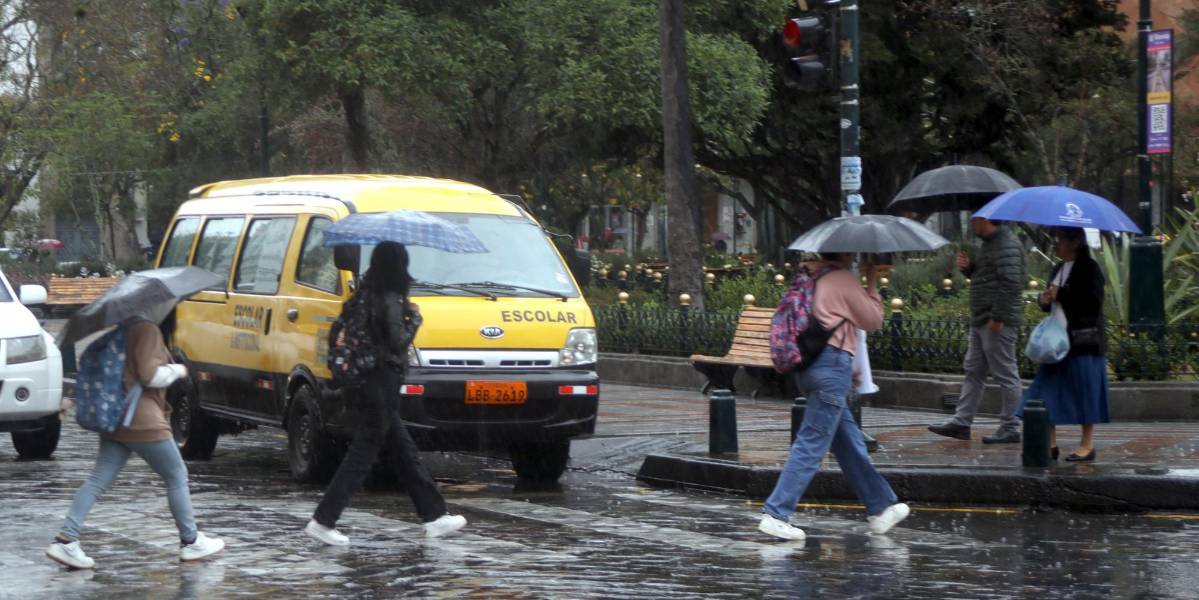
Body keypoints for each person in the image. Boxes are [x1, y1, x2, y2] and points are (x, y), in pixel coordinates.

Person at [305, 241, 467, 546]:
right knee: (363, 453)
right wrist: (414, 319)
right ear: (399, 266)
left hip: (363, 382)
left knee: (405, 451)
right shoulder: (390, 298)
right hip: (382, 382)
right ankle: (323, 520)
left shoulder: (363, 295)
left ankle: (434, 515)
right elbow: (397, 342)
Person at [46, 305, 225, 569]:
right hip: (142, 420)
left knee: (97, 481)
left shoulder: (125, 328)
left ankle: (66, 540)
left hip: (116, 421)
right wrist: (178, 371)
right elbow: (150, 375)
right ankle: (191, 541)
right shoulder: (148, 329)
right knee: (176, 476)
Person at [758, 253, 910, 541]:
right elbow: (874, 319)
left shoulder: (807, 277)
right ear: (844, 253)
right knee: (812, 442)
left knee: (848, 441)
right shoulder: (841, 279)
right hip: (830, 368)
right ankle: (776, 512)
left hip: (809, 368)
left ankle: (880, 508)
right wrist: (873, 282)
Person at [929, 217, 1026, 444]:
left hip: (995, 321)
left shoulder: (1007, 245)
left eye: (975, 221)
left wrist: (998, 317)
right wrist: (970, 269)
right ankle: (962, 422)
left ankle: (1011, 426)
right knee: (974, 370)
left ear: (986, 220)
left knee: (1005, 373)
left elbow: (1011, 282)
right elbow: (989, 278)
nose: (973, 225)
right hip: (982, 318)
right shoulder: (990, 244)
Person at [1018, 227, 1109, 461]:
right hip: (1056, 342)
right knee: (1044, 392)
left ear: (1075, 242)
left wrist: (1062, 295)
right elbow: (1051, 301)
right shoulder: (1058, 268)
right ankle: (1050, 443)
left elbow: (1092, 302)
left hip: (1082, 342)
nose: (1056, 244)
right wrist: (1044, 299)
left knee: (1084, 391)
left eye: (1061, 240)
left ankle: (1087, 445)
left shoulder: (1090, 269)